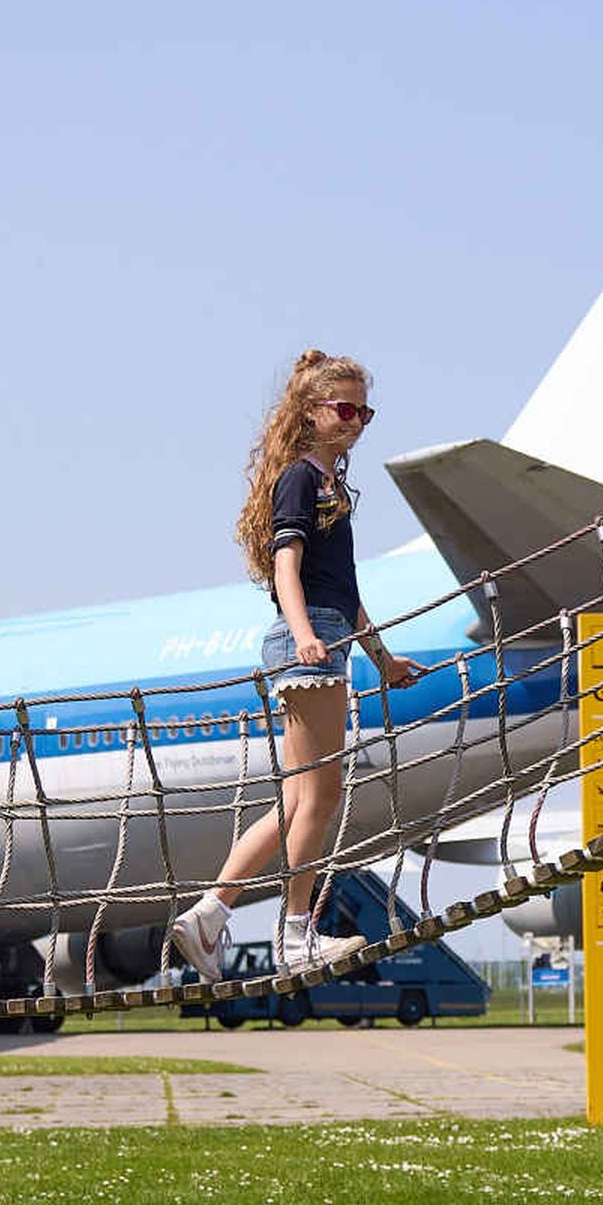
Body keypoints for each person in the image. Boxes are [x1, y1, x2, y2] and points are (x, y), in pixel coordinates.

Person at [167, 349, 423, 981]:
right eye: (344, 408)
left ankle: (209, 913)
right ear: (309, 413)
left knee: (293, 800)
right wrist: (308, 636)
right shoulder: (300, 479)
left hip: (327, 635)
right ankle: (295, 935)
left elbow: (345, 589)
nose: (357, 420)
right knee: (322, 796)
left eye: (365, 410)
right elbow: (288, 567)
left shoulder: (331, 485)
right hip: (308, 643)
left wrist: (382, 658)